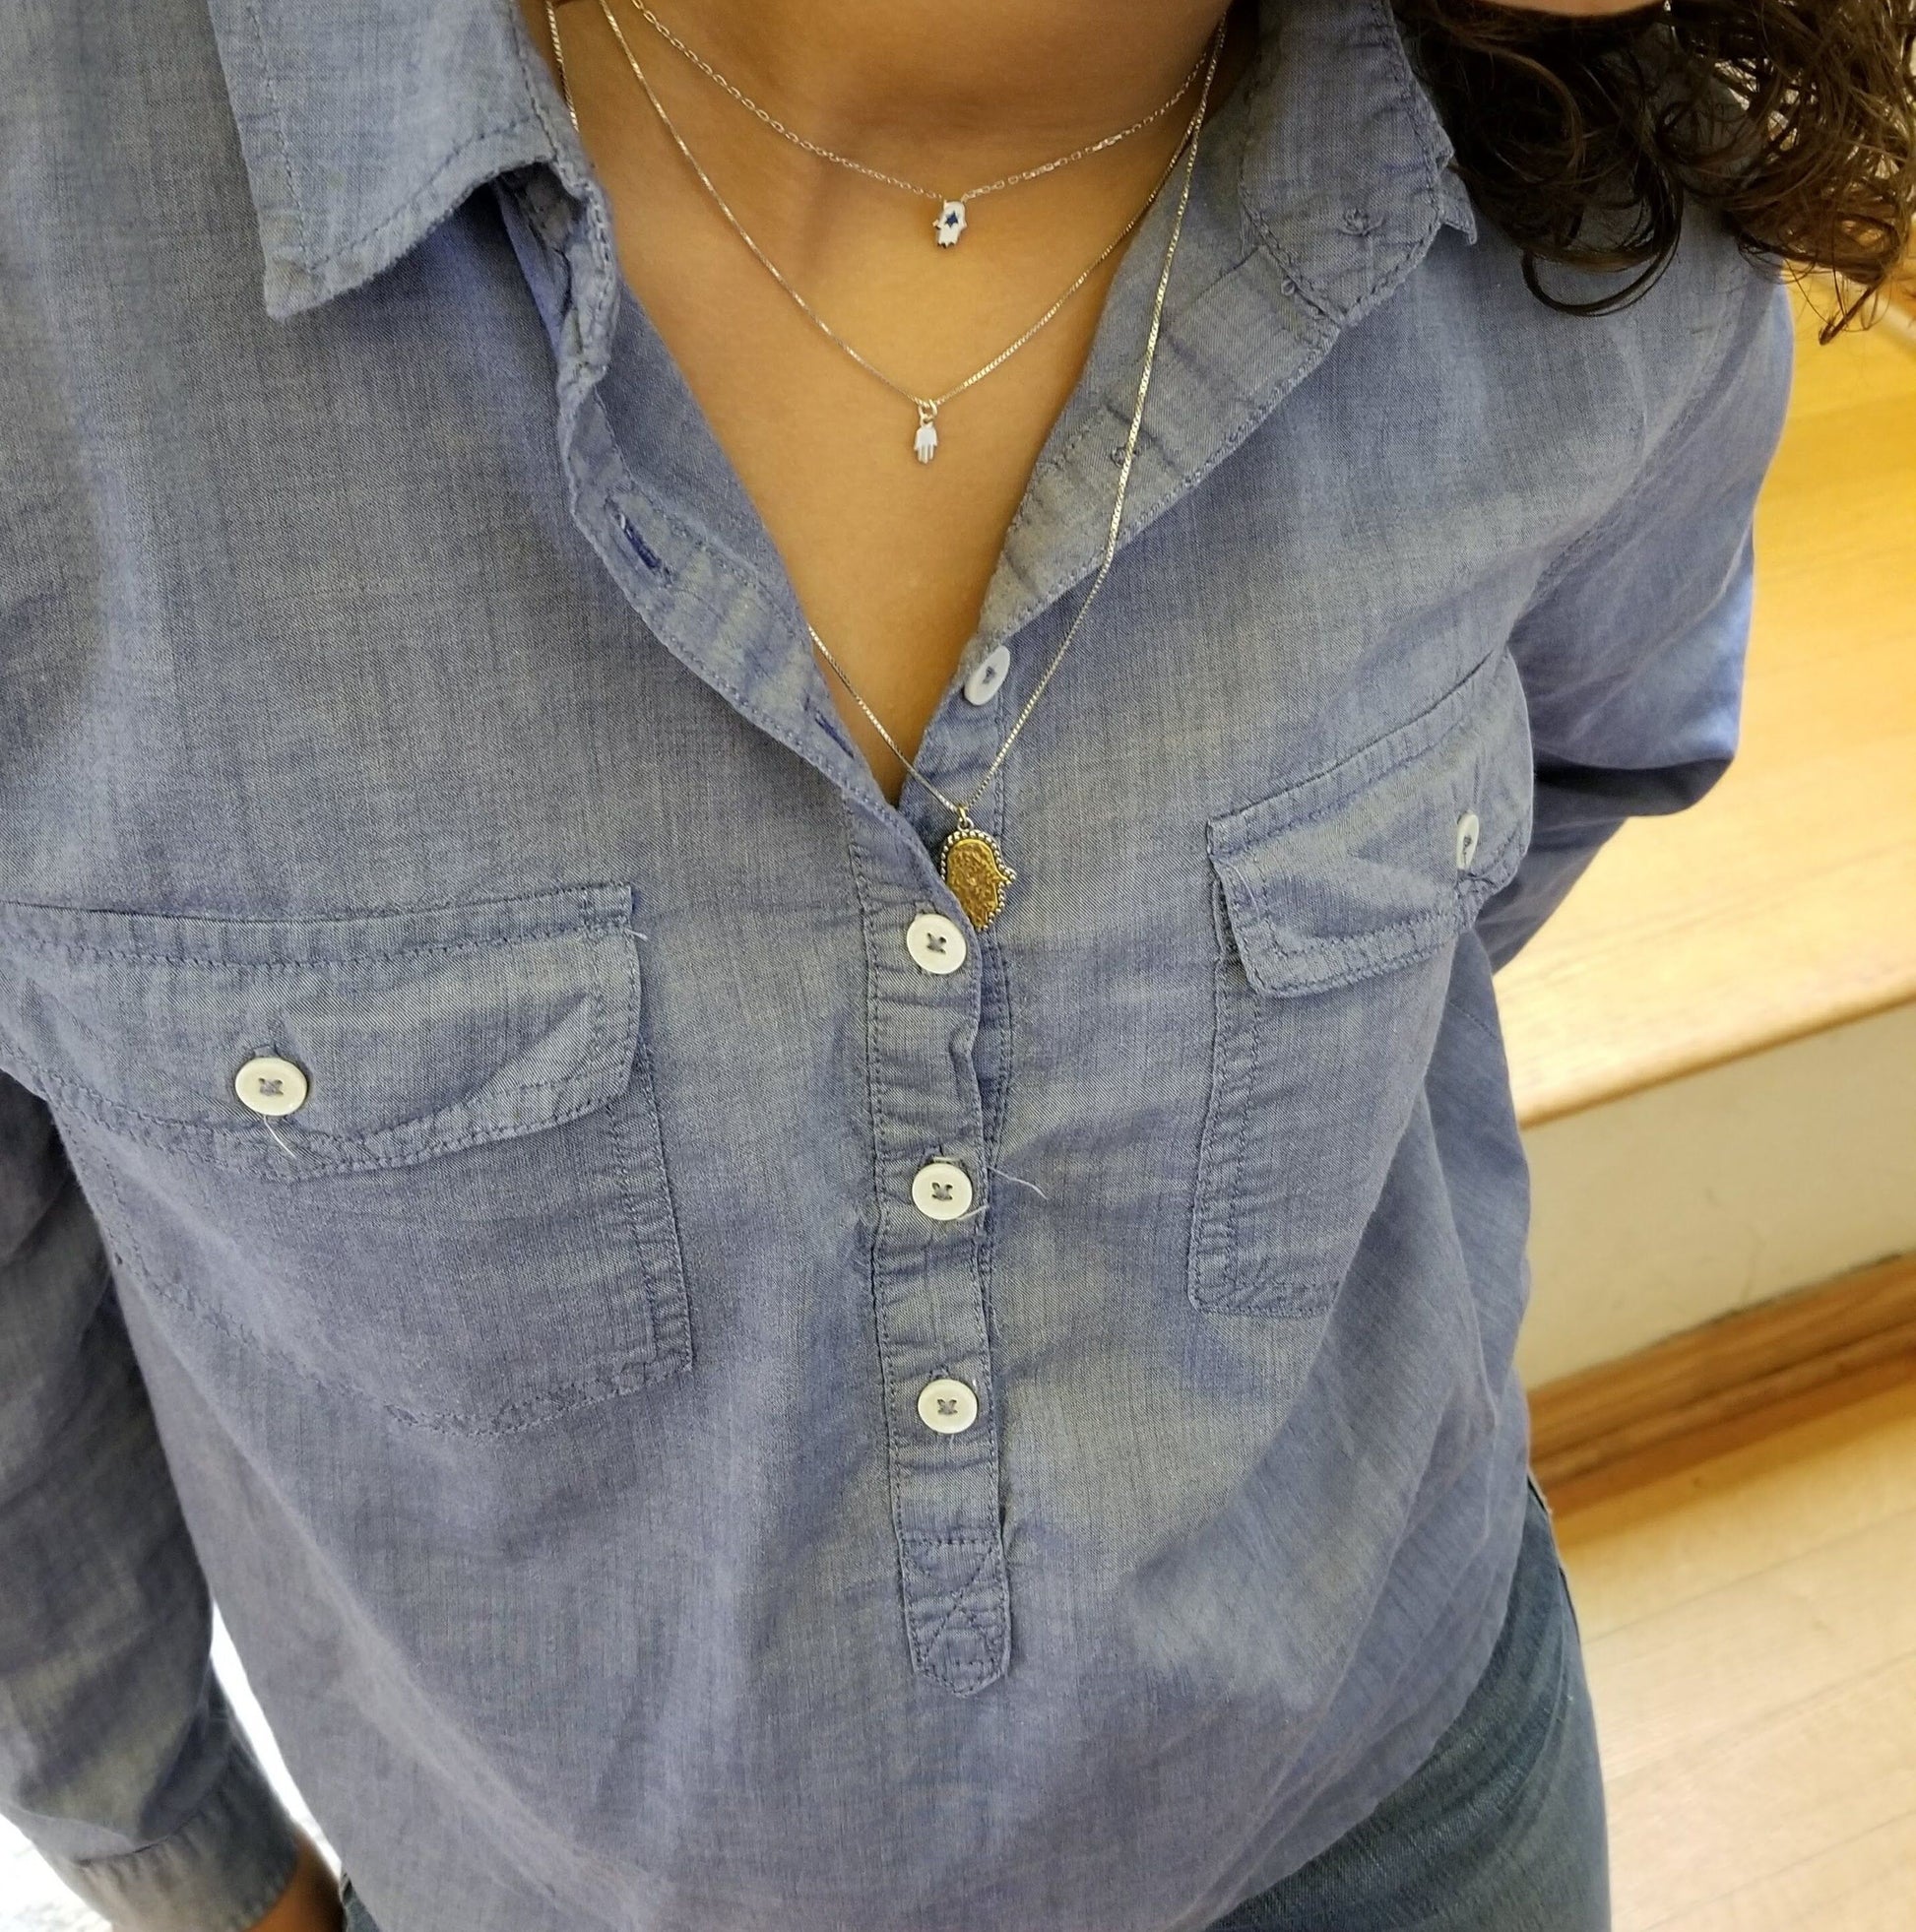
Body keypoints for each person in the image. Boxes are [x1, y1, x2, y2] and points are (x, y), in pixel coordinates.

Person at [0, 0, 1906, 1928]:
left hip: (1401, 1813)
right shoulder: (54, 233)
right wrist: (196, 1864)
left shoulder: (1607, 200)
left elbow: (1578, 762)